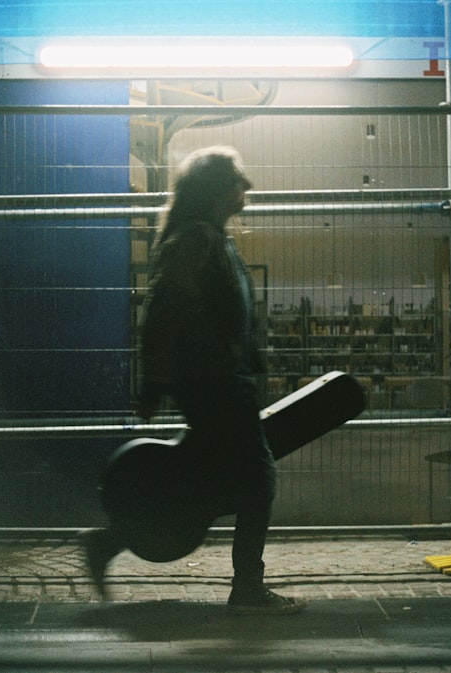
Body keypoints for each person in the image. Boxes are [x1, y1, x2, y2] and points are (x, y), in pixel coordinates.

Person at [82, 146, 305, 615]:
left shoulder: (210, 239)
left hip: (216, 381)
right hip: (213, 384)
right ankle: (247, 590)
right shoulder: (196, 242)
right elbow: (162, 314)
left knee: (204, 479)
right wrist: (153, 384)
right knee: (257, 480)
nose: (248, 187)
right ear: (213, 189)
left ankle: (109, 543)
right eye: (237, 180)